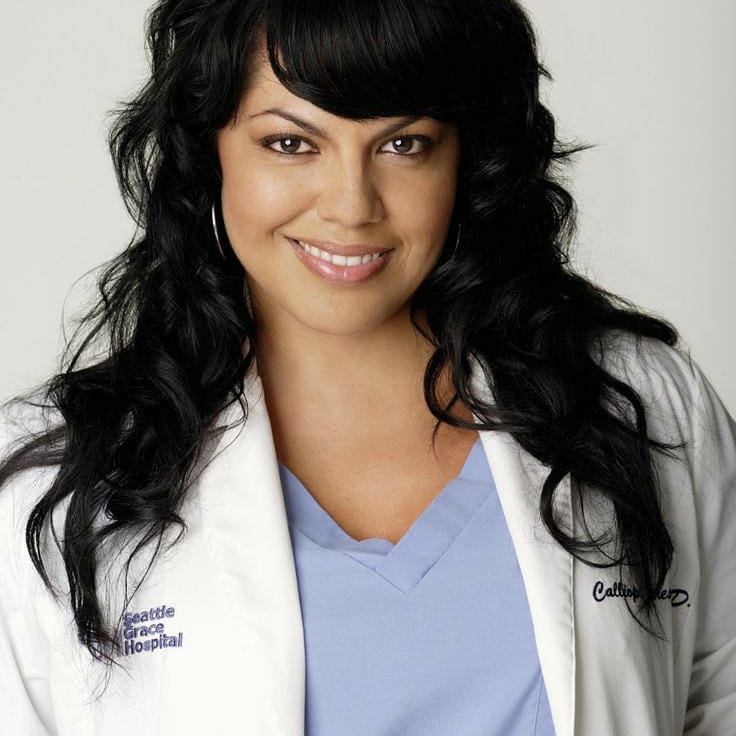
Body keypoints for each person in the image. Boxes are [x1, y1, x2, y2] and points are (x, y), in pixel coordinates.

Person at [0, 0, 734, 734]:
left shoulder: (644, 407)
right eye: (291, 143)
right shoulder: (52, 484)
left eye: (404, 144)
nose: (352, 207)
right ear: (208, 152)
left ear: (467, 157)